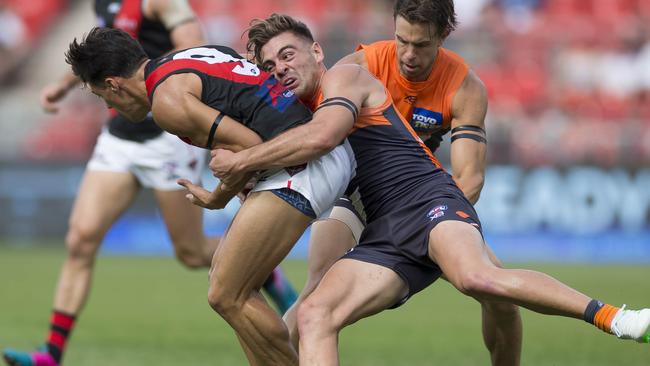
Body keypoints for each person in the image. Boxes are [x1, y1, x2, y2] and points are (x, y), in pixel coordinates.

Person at [210, 13, 650, 365]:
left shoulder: (347, 78)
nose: (280, 70)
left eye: (287, 55)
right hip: (377, 223)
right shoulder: (292, 113)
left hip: (426, 199)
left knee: (479, 279)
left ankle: (616, 318)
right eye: (269, 67)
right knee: (313, 313)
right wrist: (225, 186)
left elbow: (323, 137)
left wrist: (243, 161)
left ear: (318, 50)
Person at [1, 2, 294, 366]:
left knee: (191, 253)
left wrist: (148, 83)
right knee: (80, 238)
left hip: (166, 130)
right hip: (121, 134)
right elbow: (102, 60)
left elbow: (191, 44)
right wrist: (65, 86)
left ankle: (264, 270)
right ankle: (51, 353)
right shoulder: (103, 5)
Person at [60, 27, 356, 365]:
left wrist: (219, 196)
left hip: (302, 164)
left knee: (226, 294)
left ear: (114, 84)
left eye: (102, 97)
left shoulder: (166, 100)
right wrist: (225, 191)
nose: (109, 106)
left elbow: (248, 147)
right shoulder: (185, 58)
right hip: (304, 157)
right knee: (234, 291)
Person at [276, 1, 522, 364]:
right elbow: (314, 132)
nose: (408, 54)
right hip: (355, 196)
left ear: (443, 36)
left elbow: (470, 179)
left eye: (420, 45)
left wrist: (431, 225)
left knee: (499, 296)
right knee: (315, 298)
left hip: (420, 204)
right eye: (401, 40)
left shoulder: (465, 87)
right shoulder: (359, 67)